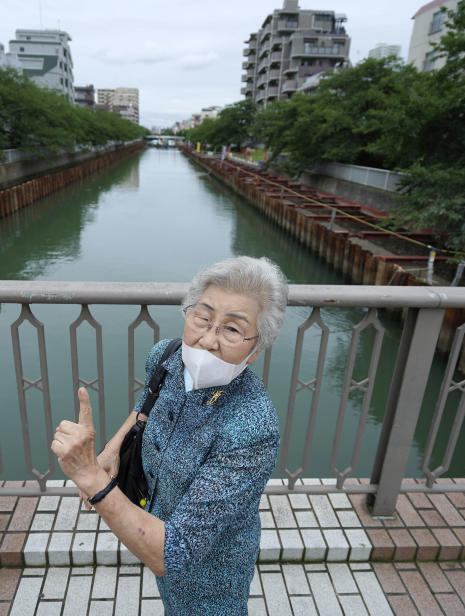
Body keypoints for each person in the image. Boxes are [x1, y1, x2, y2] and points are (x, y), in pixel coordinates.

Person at [51, 256, 288, 615]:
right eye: (203, 317)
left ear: (255, 350)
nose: (207, 339)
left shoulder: (251, 427)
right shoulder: (166, 355)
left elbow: (173, 554)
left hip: (211, 576)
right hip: (154, 518)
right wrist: (113, 447)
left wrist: (90, 476)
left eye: (233, 329)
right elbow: (146, 404)